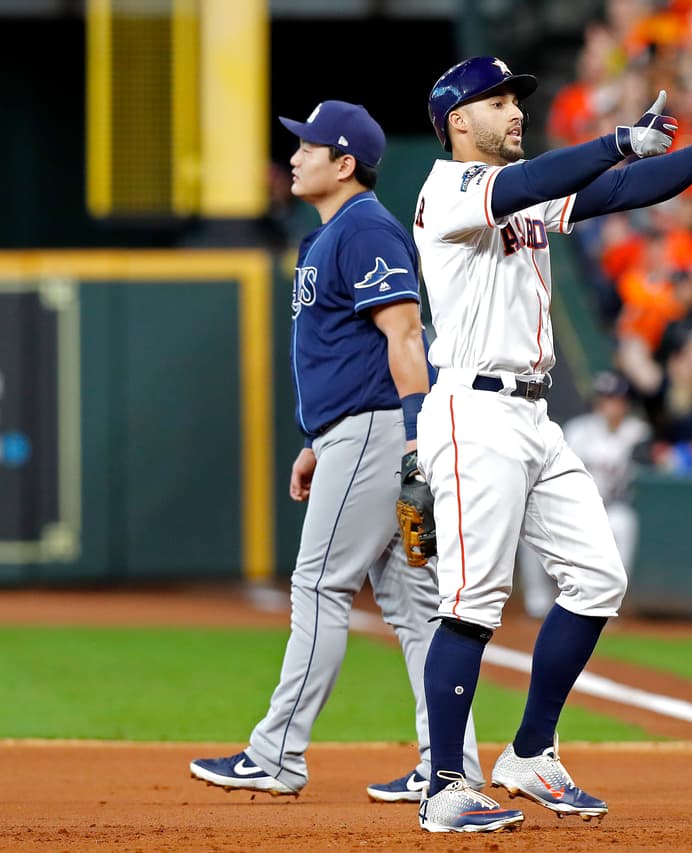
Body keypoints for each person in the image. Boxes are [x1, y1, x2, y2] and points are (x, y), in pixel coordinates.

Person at [410, 56, 692, 833]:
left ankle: (530, 753)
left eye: (515, 100)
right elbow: (547, 181)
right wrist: (615, 139)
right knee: (472, 605)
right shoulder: (449, 189)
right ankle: (443, 788)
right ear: (456, 121)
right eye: (496, 101)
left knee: (599, 578)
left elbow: (620, 190)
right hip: (475, 411)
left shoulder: (524, 186)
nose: (513, 112)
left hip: (533, 418)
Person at [189, 101, 484, 802]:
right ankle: (452, 762)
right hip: (355, 437)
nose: (294, 155)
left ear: (344, 162)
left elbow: (406, 334)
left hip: (381, 432)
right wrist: (318, 444)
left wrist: (415, 438)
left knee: (319, 584)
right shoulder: (326, 236)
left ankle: (277, 752)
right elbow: (344, 353)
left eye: (309, 146)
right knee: (414, 607)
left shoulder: (367, 228)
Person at [518, 371, 652, 619]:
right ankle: (537, 600)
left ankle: (607, 601)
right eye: (604, 398)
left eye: (615, 398)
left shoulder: (638, 433)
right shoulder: (577, 430)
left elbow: (646, 462)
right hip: (572, 507)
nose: (609, 404)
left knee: (623, 524)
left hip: (611, 506)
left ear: (625, 403)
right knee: (530, 528)